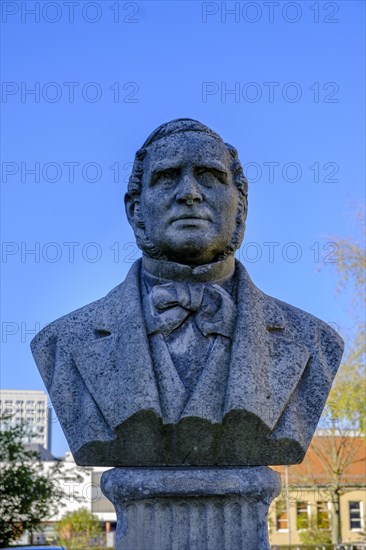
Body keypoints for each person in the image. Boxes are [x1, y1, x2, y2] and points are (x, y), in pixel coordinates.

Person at [31, 119, 344, 466]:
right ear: (136, 210)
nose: (189, 193)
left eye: (209, 177)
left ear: (240, 206)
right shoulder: (63, 342)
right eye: (167, 177)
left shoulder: (314, 341)